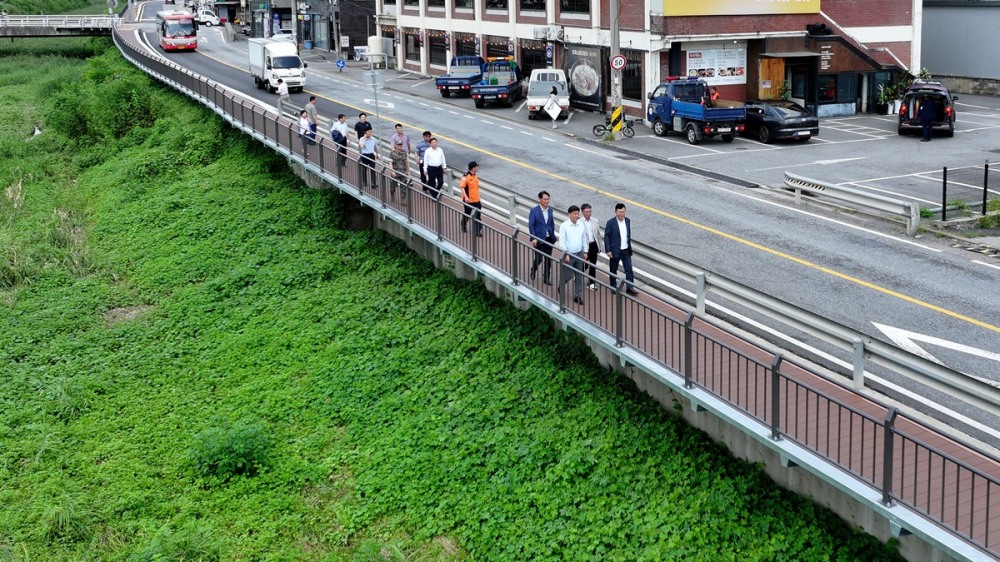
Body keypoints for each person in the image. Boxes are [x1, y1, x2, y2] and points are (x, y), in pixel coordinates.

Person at [604, 203, 638, 296]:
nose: (622, 214)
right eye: (620, 212)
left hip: (626, 250)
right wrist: (608, 250)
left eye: (623, 212)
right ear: (616, 212)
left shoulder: (627, 221)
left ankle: (630, 287)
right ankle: (613, 287)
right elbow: (606, 237)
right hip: (615, 250)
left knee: (629, 269)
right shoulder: (610, 222)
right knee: (613, 269)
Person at [557, 205, 588, 305]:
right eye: (574, 214)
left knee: (579, 275)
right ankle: (561, 285)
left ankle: (577, 296)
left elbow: (584, 239)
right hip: (569, 254)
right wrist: (565, 253)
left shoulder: (581, 225)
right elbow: (562, 240)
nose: (576, 216)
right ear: (569, 214)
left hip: (579, 253)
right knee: (568, 275)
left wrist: (585, 251)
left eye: (577, 214)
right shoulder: (564, 225)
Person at [528, 191, 557, 285]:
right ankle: (533, 269)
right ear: (540, 199)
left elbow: (551, 223)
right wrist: (533, 238)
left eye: (548, 199)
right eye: (545, 199)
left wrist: (552, 233)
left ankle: (546, 277)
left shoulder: (550, 210)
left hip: (549, 238)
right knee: (539, 258)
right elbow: (531, 225)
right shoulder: (534, 211)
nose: (547, 201)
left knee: (548, 258)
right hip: (539, 238)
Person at [580, 203, 602, 291]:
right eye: (586, 212)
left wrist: (599, 247)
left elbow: (598, 234)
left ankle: (591, 283)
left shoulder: (595, 221)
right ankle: (577, 274)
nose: (588, 213)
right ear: (582, 212)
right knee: (583, 264)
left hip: (593, 245)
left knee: (593, 264)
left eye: (590, 211)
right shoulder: (579, 222)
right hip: (584, 246)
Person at [460, 161, 482, 236]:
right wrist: (466, 197)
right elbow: (462, 187)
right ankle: (463, 224)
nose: (477, 168)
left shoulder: (475, 176)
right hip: (468, 200)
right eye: (476, 167)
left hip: (476, 200)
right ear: (473, 168)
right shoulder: (465, 177)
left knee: (478, 215)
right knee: (467, 213)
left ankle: (477, 231)